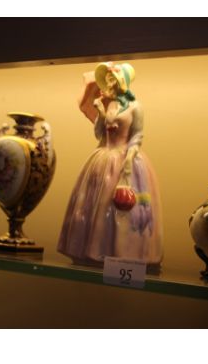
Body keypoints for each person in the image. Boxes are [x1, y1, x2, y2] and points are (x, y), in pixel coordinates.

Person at [57, 62, 163, 269]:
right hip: (103, 157)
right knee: (94, 204)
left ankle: (125, 252)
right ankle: (93, 250)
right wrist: (99, 113)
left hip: (127, 159)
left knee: (122, 208)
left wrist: (130, 158)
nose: (108, 83)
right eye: (107, 80)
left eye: (111, 79)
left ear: (121, 81)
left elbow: (138, 134)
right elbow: (100, 133)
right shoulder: (107, 104)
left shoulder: (135, 107)